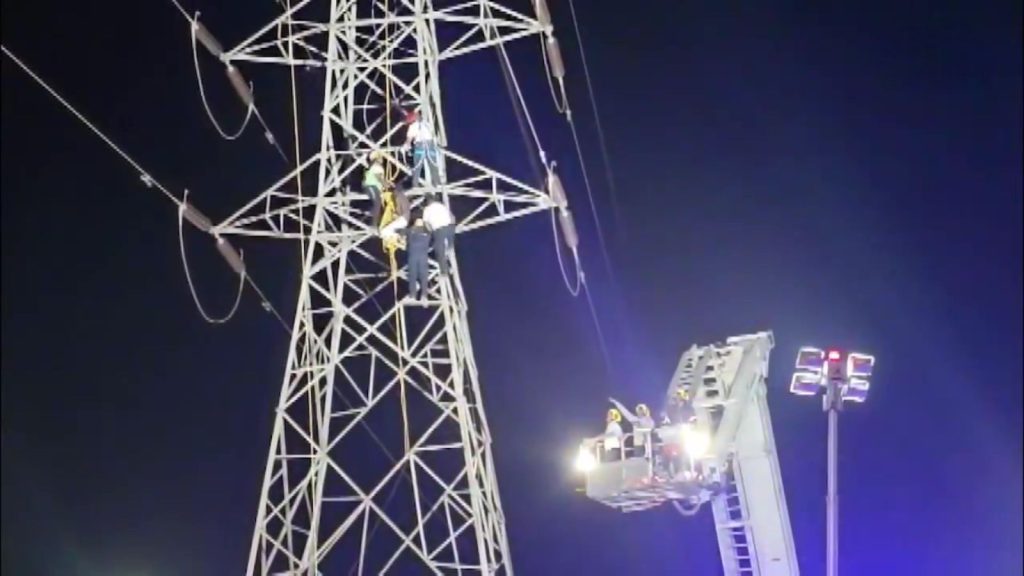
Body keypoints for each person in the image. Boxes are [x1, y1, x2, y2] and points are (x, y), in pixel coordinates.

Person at [401, 110, 439, 188]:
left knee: (417, 167)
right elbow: (432, 135)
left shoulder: (413, 126)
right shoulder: (427, 124)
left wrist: (405, 147)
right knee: (433, 165)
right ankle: (436, 183)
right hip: (430, 146)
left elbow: (409, 140)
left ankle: (415, 185)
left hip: (420, 146)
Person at [422, 194, 455, 276]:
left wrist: (431, 232)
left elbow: (426, 223)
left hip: (439, 230)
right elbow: (452, 217)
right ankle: (449, 263)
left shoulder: (427, 209)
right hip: (449, 228)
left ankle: (445, 271)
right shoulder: (441, 205)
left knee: (439, 250)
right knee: (447, 247)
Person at [404, 210, 431, 303]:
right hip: (419, 255)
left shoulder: (413, 230)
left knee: (418, 275)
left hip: (417, 255)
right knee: (415, 275)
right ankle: (417, 295)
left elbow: (404, 233)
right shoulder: (425, 231)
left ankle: (419, 295)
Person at [362, 150, 386, 226]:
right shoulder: (376, 166)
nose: (382, 159)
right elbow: (378, 177)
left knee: (378, 204)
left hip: (373, 187)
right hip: (371, 186)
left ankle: (375, 218)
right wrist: (386, 184)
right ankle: (374, 224)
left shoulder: (373, 166)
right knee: (377, 202)